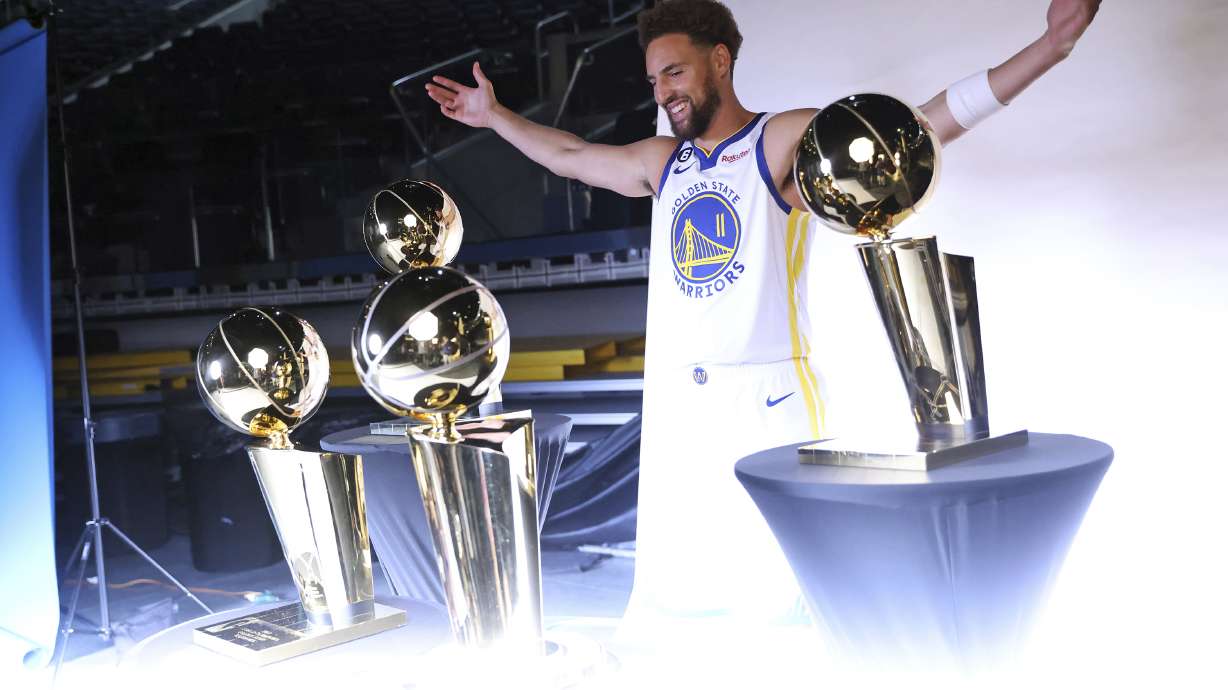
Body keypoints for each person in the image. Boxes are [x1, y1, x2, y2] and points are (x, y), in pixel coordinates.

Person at [426, 0, 1101, 622]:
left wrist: (1050, 48)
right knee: (682, 601)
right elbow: (571, 156)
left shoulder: (778, 140)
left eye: (675, 71)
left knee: (781, 599)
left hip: (768, 398)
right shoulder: (665, 162)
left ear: (720, 60)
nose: (662, 91)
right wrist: (494, 118)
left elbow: (908, 131)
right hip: (682, 403)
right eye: (654, 78)